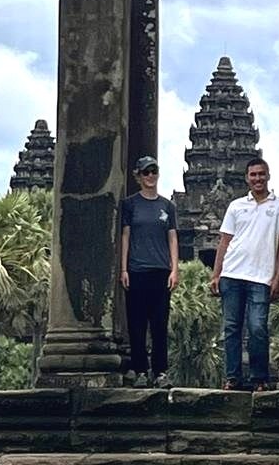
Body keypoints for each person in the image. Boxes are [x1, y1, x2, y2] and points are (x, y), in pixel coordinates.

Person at [209, 157, 279, 391]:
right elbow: (225, 241)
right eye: (253, 175)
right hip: (232, 273)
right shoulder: (236, 206)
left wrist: (278, 277)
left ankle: (259, 378)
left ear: (268, 176)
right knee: (232, 327)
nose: (257, 179)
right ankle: (232, 377)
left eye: (261, 174)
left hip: (261, 277)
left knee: (257, 328)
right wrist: (216, 274)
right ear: (246, 178)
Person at [120, 154, 179, 388]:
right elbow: (125, 236)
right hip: (136, 270)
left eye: (154, 171)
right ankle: (140, 370)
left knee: (159, 324)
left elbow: (172, 238)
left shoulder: (167, 206)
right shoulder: (130, 204)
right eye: (146, 172)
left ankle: (161, 371)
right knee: (137, 323)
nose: (150, 176)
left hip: (161, 270)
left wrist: (175, 269)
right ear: (138, 176)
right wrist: (124, 268)